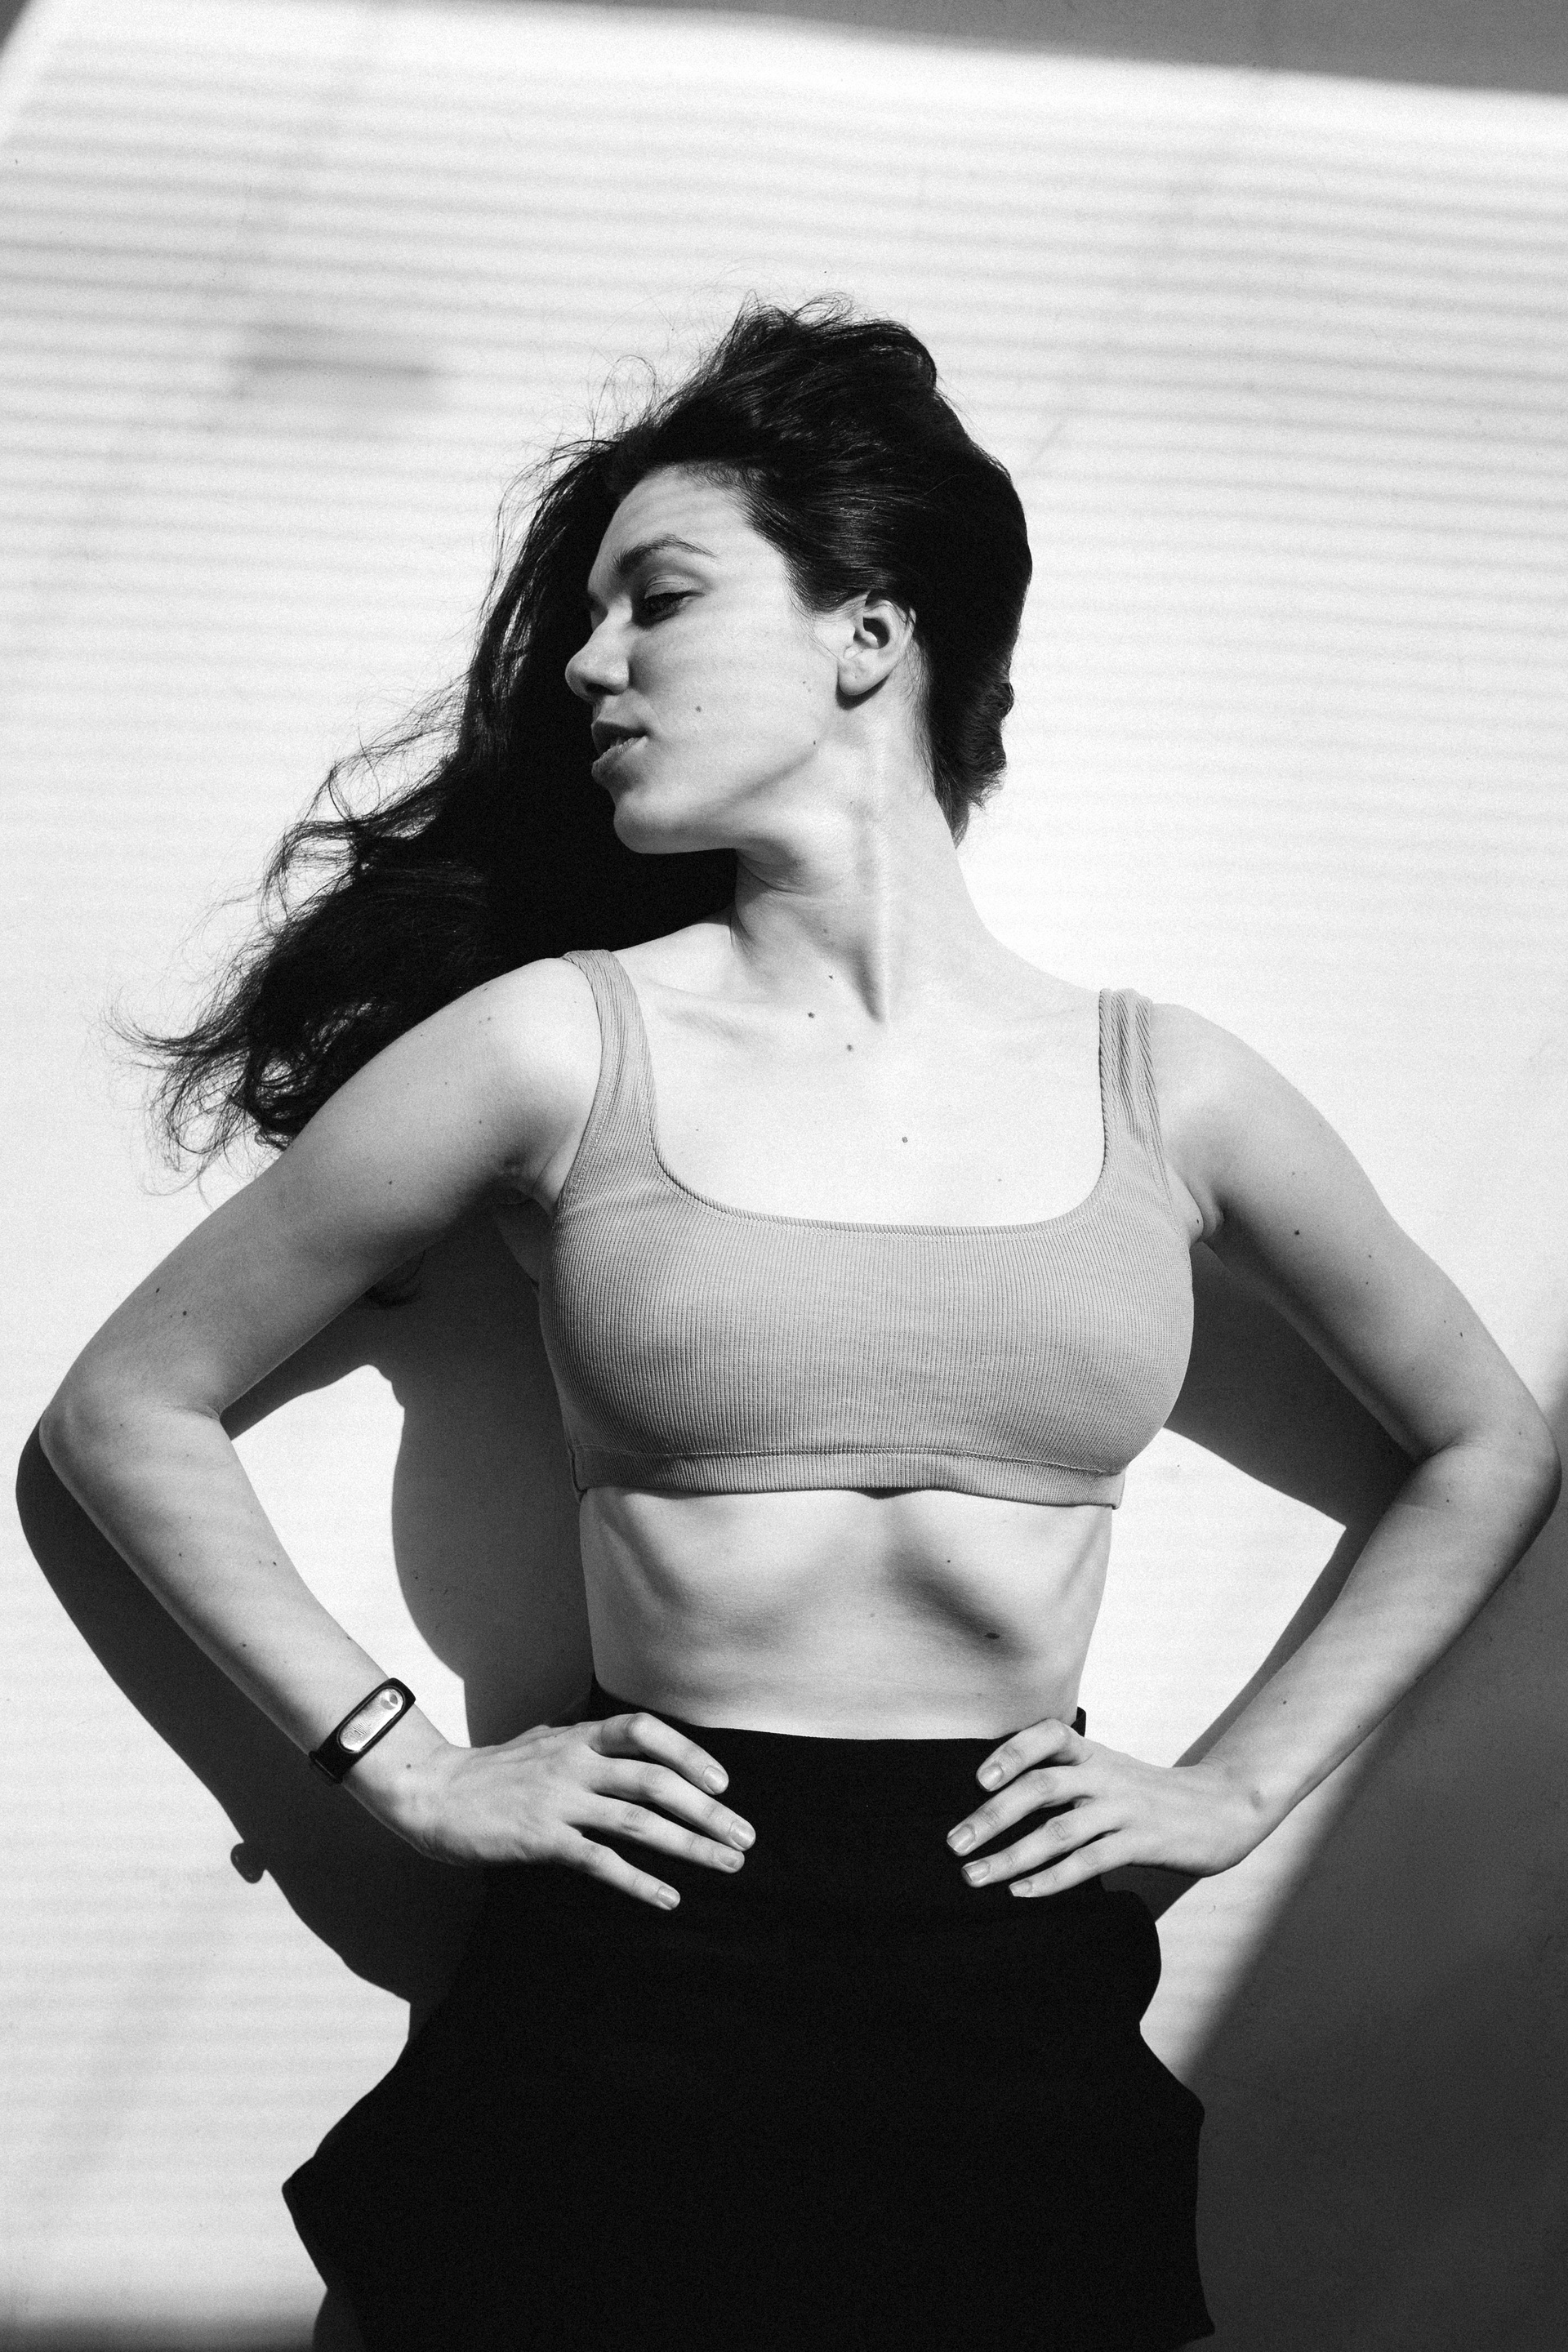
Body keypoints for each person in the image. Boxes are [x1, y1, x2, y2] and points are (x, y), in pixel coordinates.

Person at [39, 301, 1559, 2352]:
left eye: (657, 600)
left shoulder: (1168, 1086)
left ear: (870, 630)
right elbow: (128, 1406)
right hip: (627, 1979)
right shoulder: (557, 1046)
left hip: (1014, 1987)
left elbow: (1486, 1442)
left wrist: (1240, 1787)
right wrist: (396, 1764)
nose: (591, 666)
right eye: (591, 620)